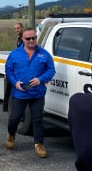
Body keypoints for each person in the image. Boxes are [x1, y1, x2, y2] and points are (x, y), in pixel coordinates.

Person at [4, 27, 55, 158]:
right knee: (14, 118)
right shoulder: (14, 54)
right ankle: (11, 134)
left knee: (37, 119)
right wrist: (15, 82)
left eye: (34, 38)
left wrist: (41, 79)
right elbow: (9, 71)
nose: (32, 40)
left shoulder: (44, 54)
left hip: (37, 93)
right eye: (28, 38)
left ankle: (39, 144)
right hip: (19, 93)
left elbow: (51, 70)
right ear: (23, 39)